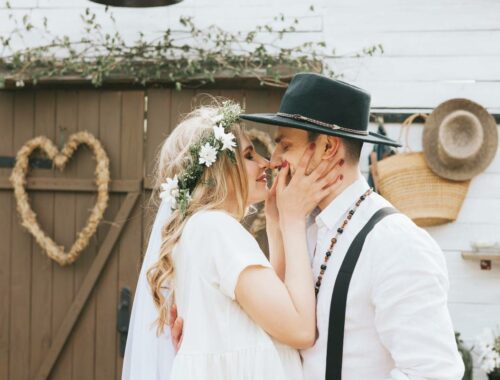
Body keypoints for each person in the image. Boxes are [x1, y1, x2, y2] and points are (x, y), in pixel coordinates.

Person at [171, 73, 466, 380]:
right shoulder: (301, 230)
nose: (273, 160)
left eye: (284, 145)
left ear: (327, 147)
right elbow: (277, 331)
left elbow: (434, 372)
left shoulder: (394, 242)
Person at [122, 100, 344, 380]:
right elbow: (300, 329)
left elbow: (267, 311)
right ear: (216, 171)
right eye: (250, 155)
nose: (266, 163)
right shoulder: (216, 229)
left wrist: (275, 225)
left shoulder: (198, 230)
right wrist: (293, 220)